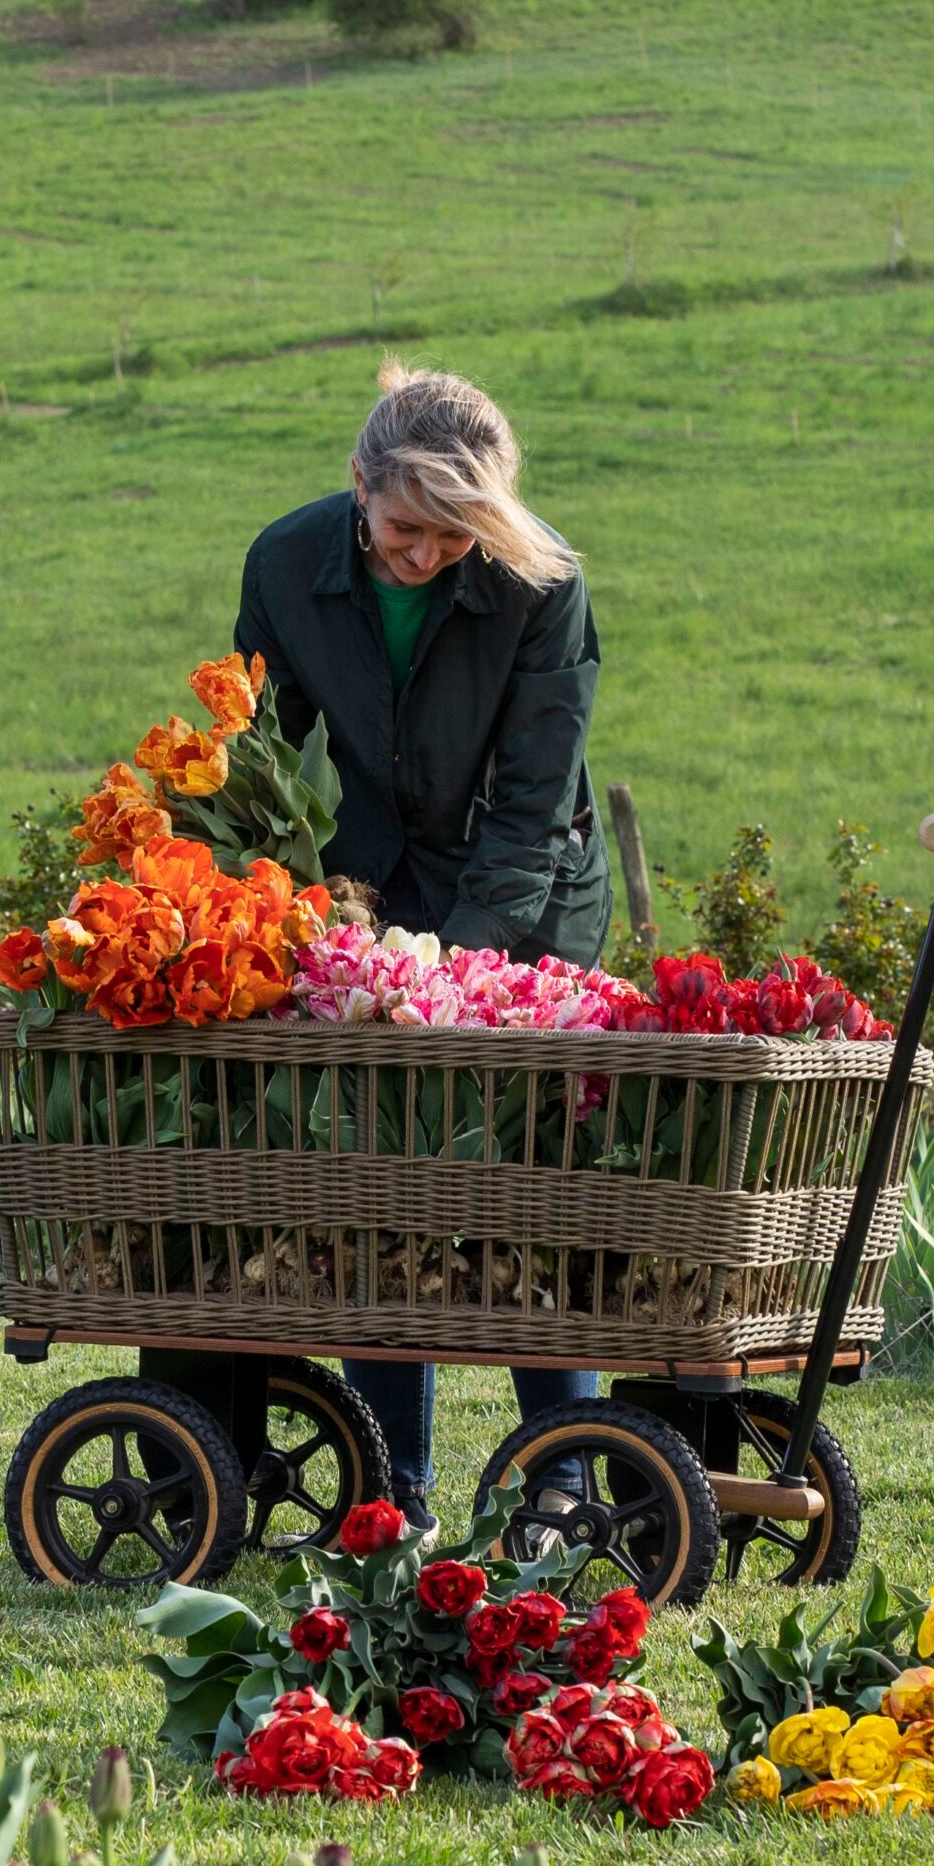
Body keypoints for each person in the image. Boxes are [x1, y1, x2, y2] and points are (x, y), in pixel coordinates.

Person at [235, 361, 612, 1527]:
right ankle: (393, 1483)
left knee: (530, 1176)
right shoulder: (283, 566)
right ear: (360, 482)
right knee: (373, 1174)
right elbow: (267, 767)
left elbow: (533, 804)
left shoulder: (542, 583)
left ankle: (561, 1472)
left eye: (456, 537)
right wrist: (326, 929)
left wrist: (455, 968)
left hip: (528, 895)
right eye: (409, 529)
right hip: (366, 896)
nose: (428, 555)